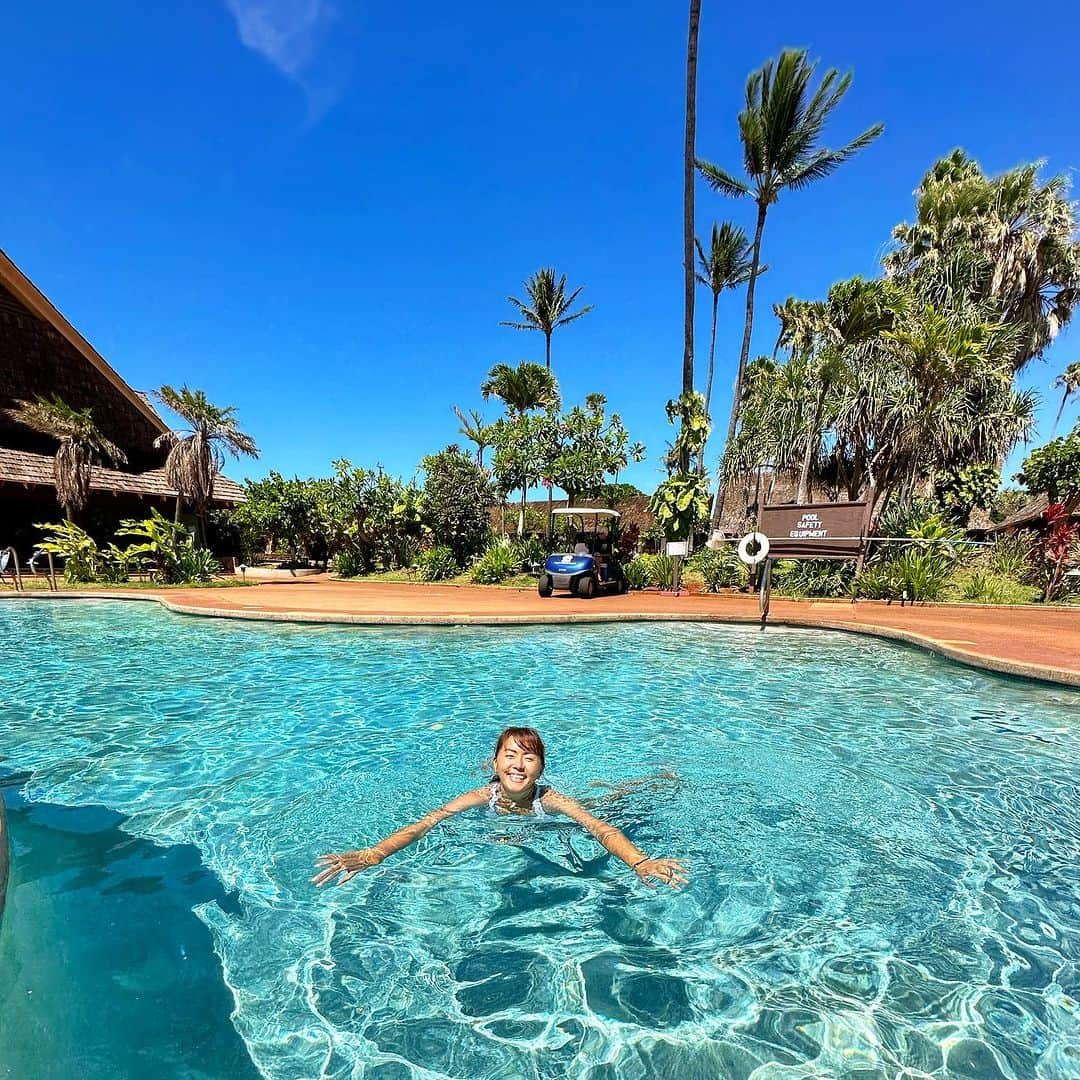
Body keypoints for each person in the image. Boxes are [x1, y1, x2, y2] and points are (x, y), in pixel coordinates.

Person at [313, 726, 688, 891]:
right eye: (509, 756)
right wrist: (375, 854)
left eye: (529, 758)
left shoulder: (550, 800)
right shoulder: (483, 796)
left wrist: (639, 862)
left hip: (553, 820)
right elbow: (430, 821)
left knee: (611, 805)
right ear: (495, 765)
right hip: (507, 820)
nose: (519, 765)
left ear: (541, 768)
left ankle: (651, 784)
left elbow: (598, 828)